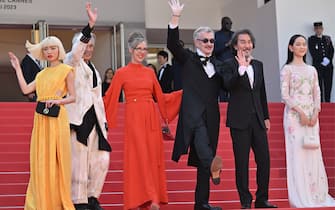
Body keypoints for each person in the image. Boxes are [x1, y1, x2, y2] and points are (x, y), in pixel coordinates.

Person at [103, 31, 181, 210]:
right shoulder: (121, 73)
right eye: (139, 48)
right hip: (134, 117)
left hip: (150, 115)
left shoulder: (149, 72)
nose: (142, 52)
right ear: (131, 49)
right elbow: (110, 97)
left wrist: (182, 95)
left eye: (145, 49)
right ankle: (138, 199)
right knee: (138, 157)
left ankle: (153, 198)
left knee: (153, 157)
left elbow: (160, 97)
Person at [167, 1, 224, 210]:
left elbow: (228, 84)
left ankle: (202, 203)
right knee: (201, 143)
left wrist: (242, 69)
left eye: (212, 41)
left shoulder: (218, 64)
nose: (209, 43)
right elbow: (173, 45)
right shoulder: (188, 59)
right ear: (197, 42)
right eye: (205, 40)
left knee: (203, 158)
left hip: (213, 116)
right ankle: (213, 166)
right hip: (193, 115)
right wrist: (175, 18)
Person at [8, 36, 76, 210]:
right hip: (41, 119)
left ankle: (57, 202)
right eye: (46, 49)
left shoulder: (67, 70)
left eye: (53, 48)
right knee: (41, 160)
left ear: (59, 49)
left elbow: (73, 97)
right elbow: (25, 90)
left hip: (57, 118)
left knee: (57, 159)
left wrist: (58, 101)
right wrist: (17, 68)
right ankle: (41, 202)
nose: (49, 52)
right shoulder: (41, 74)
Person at [221, 29, 277, 209]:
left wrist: (266, 116)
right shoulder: (228, 64)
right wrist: (241, 69)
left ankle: (262, 199)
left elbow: (261, 92)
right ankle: (245, 200)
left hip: (258, 119)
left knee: (264, 160)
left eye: (249, 42)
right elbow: (227, 86)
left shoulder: (258, 64)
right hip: (239, 120)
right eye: (242, 42)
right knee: (242, 162)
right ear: (235, 45)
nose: (246, 45)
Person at [64, 3, 111, 210]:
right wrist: (90, 26)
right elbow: (76, 52)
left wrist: (105, 122)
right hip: (77, 121)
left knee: (102, 160)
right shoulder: (70, 62)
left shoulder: (95, 70)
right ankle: (79, 200)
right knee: (79, 165)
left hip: (96, 123)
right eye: (86, 45)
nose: (88, 49)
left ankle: (93, 197)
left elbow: (98, 99)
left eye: (92, 46)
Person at [281, 34, 335, 208]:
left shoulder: (312, 70)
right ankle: (301, 195)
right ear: (291, 48)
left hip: (312, 117)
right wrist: (300, 112)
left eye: (304, 44)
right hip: (294, 117)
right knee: (298, 154)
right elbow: (285, 95)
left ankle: (317, 194)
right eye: (298, 44)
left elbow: (317, 93)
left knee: (313, 154)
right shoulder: (287, 69)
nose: (302, 47)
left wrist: (315, 113)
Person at [308, 21, 334, 102]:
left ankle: (328, 101)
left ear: (322, 29)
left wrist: (327, 60)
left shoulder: (327, 38)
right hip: (317, 66)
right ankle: (319, 102)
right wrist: (321, 62)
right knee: (318, 86)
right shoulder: (311, 39)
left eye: (320, 28)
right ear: (314, 30)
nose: (318, 30)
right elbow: (313, 52)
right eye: (316, 29)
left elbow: (331, 50)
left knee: (328, 84)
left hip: (328, 66)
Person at [214, 16, 234, 102]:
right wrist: (226, 45)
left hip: (233, 64)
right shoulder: (217, 35)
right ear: (222, 24)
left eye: (231, 23)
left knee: (234, 86)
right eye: (227, 23)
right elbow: (214, 51)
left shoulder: (234, 35)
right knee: (222, 88)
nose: (229, 25)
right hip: (221, 64)